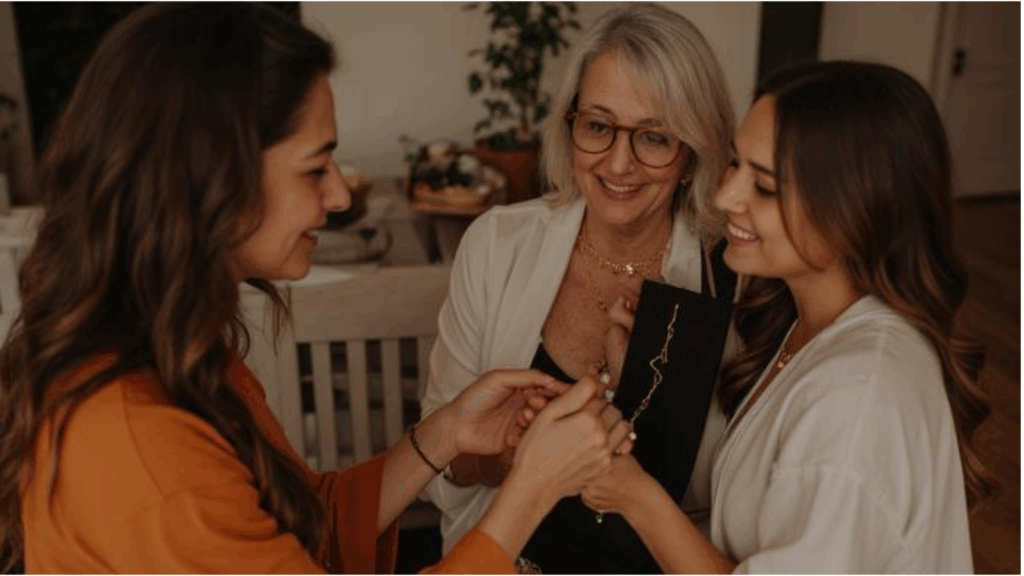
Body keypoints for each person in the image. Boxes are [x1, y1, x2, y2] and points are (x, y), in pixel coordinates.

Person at [0, 4, 634, 573]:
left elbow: (297, 526)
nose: (335, 196)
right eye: (314, 168)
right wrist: (529, 492)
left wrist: (443, 436)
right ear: (213, 180)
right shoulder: (143, 448)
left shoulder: (178, 355)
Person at [578, 60, 997, 573]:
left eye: (766, 187)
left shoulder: (857, 400)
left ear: (856, 206)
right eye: (735, 165)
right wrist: (645, 380)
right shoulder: (809, 325)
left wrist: (636, 498)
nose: (725, 197)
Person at [420, 3, 736, 572]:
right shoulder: (497, 245)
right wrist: (503, 455)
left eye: (654, 137)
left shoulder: (733, 278)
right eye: (597, 126)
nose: (618, 162)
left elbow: (732, 504)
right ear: (569, 128)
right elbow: (447, 463)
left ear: (691, 154)